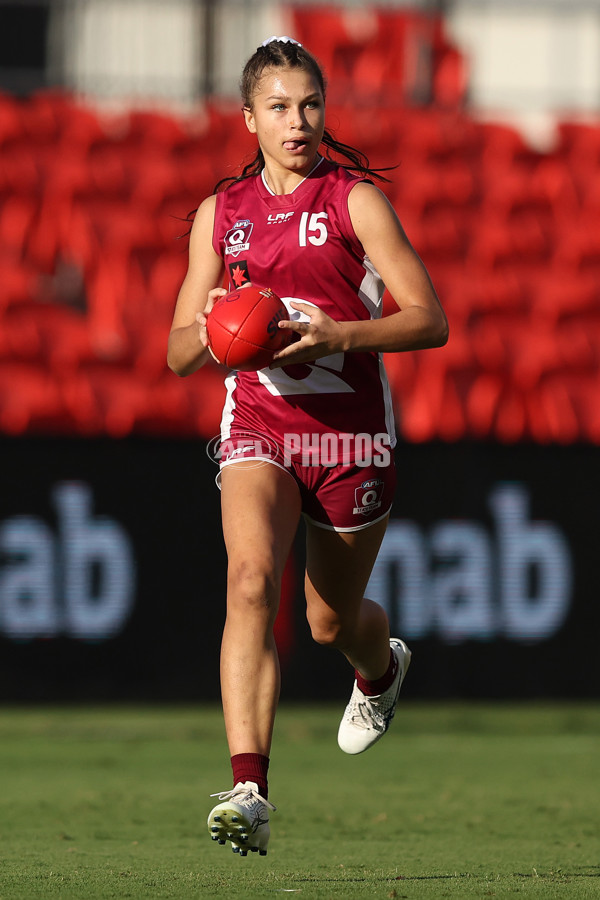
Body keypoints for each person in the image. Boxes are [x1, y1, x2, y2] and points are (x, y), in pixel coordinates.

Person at [167, 36, 448, 857]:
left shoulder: (357, 201)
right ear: (249, 117)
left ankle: (380, 669)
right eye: (280, 107)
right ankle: (248, 789)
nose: (298, 122)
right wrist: (217, 323)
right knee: (251, 581)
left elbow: (429, 318)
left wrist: (341, 333)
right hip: (257, 423)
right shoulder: (222, 216)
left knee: (330, 624)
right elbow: (177, 352)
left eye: (311, 104)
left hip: (351, 436)